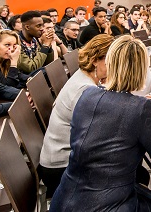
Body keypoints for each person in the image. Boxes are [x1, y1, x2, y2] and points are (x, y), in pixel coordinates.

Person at [49, 36, 151, 212]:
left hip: (65, 198)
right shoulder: (142, 107)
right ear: (142, 70)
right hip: (106, 204)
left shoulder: (88, 95)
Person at [38, 34, 113, 195]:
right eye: (112, 61)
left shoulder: (84, 76)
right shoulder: (84, 89)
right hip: (62, 168)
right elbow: (99, 135)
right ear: (95, 60)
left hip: (63, 158)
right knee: (132, 171)